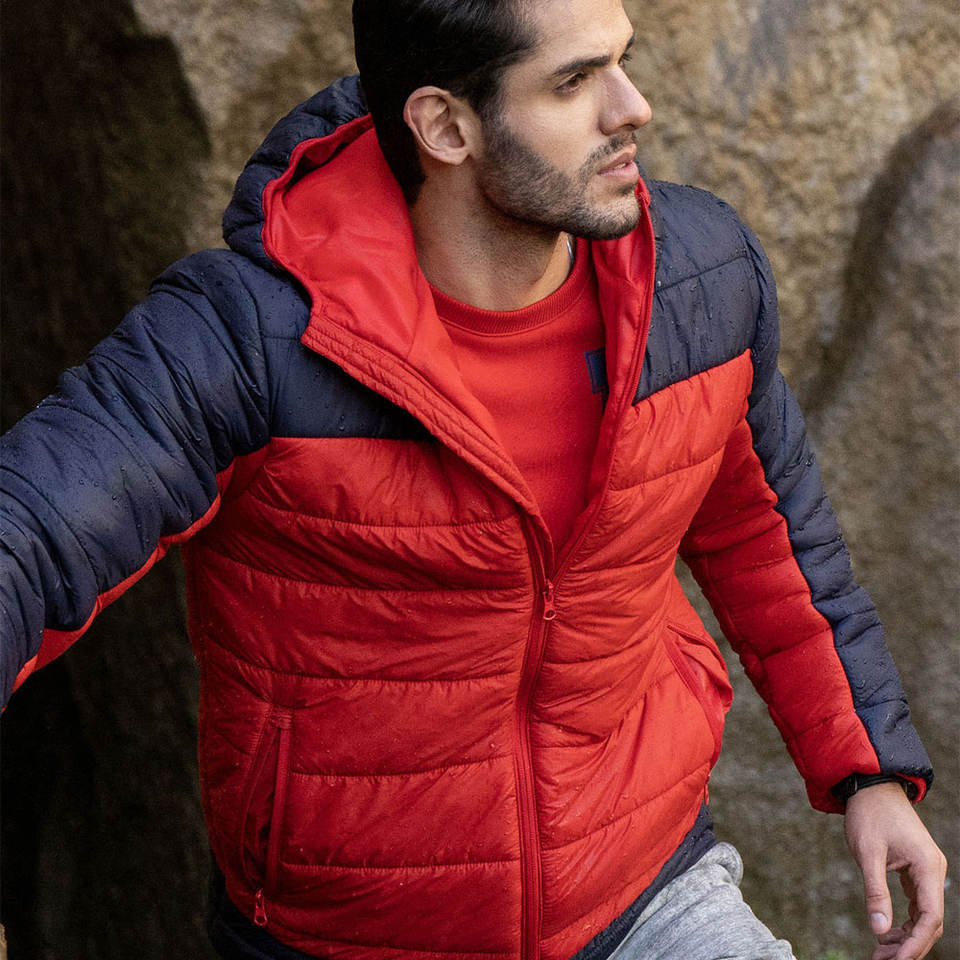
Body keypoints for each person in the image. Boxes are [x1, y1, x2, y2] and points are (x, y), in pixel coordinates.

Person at [0, 0, 946, 958]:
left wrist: (868, 772)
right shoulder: (244, 339)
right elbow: (29, 535)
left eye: (623, 61)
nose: (634, 107)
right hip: (349, 937)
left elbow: (767, 532)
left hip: (645, 890)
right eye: (574, 82)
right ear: (446, 127)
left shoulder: (698, 281)